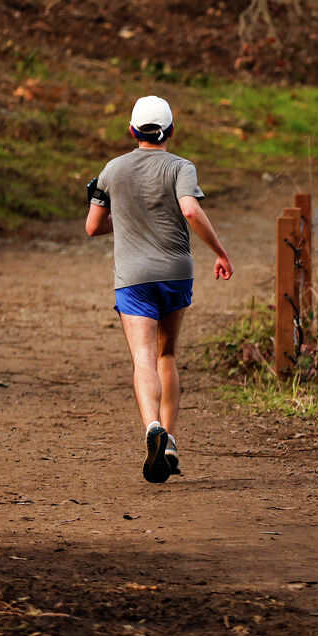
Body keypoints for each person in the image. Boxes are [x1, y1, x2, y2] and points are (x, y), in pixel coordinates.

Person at [85, 94, 233, 483]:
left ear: (132, 130)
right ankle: (169, 441)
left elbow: (93, 226)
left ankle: (152, 427)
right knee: (167, 354)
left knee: (144, 358)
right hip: (175, 271)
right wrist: (219, 251)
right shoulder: (180, 166)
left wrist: (130, 214)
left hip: (133, 278)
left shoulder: (112, 170)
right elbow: (188, 209)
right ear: (170, 131)